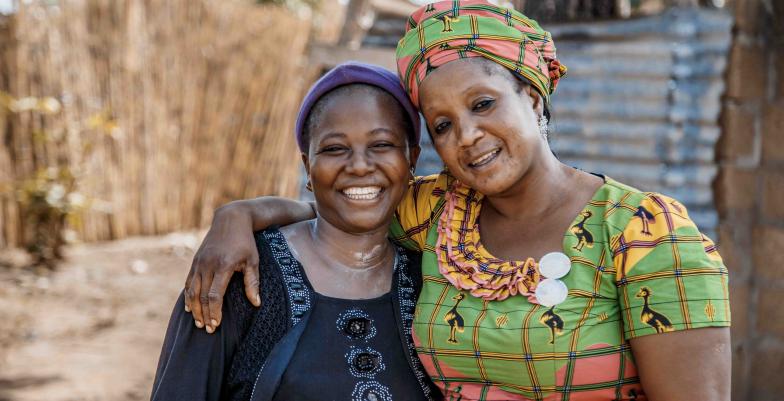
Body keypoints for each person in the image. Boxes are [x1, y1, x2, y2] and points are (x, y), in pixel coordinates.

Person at [183, 2, 731, 400]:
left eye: (484, 103)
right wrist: (239, 216)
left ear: (532, 95)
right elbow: (344, 202)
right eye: (443, 124)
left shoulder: (644, 233)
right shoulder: (438, 216)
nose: (467, 136)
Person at [151, 62, 440, 401]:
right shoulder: (239, 273)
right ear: (307, 166)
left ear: (412, 160)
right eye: (334, 148)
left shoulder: (437, 280)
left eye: (381, 145)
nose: (360, 165)